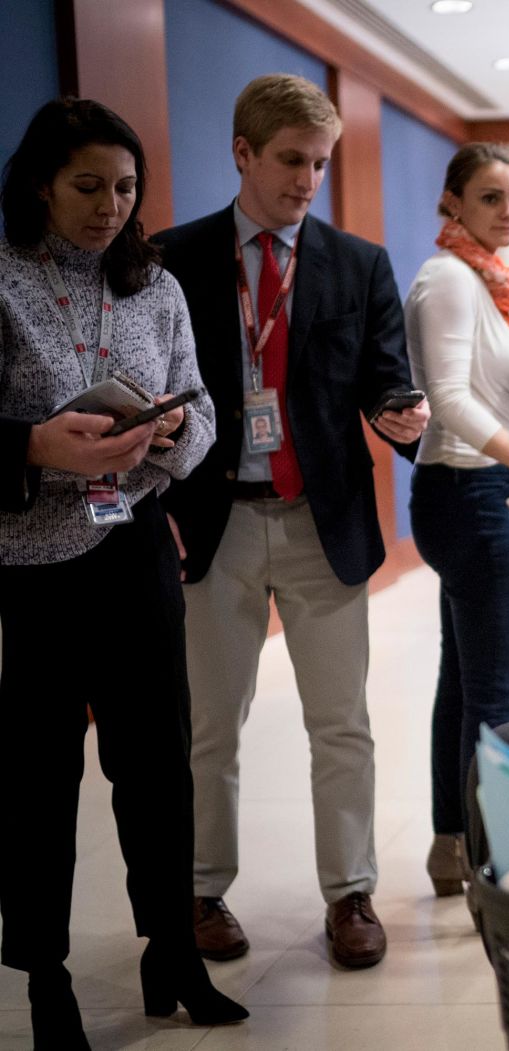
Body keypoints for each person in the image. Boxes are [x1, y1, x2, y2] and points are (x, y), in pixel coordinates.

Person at [154, 74, 430, 971]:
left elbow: (385, 372)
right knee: (210, 724)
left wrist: (401, 412)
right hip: (212, 520)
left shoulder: (357, 263)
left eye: (320, 162)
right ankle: (201, 890)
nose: (309, 179)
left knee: (340, 720)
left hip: (323, 517)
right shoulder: (172, 258)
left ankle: (350, 891)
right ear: (242, 153)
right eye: (290, 160)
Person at [0, 96, 244, 1048]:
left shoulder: (158, 286)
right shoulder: (4, 279)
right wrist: (35, 446)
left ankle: (170, 953)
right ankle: (45, 977)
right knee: (39, 777)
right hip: (34, 568)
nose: (111, 205)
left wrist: (176, 430)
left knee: (156, 765)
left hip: (136, 549)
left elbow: (210, 411)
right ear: (40, 186)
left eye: (127, 187)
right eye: (88, 186)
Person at [404, 143, 509, 897]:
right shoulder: (448, 279)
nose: (506, 212)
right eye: (491, 197)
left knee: (464, 679)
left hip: (472, 483)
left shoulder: (482, 283)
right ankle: (494, 857)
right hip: (465, 488)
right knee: (497, 688)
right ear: (453, 203)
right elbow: (451, 401)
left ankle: (454, 844)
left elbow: (494, 400)